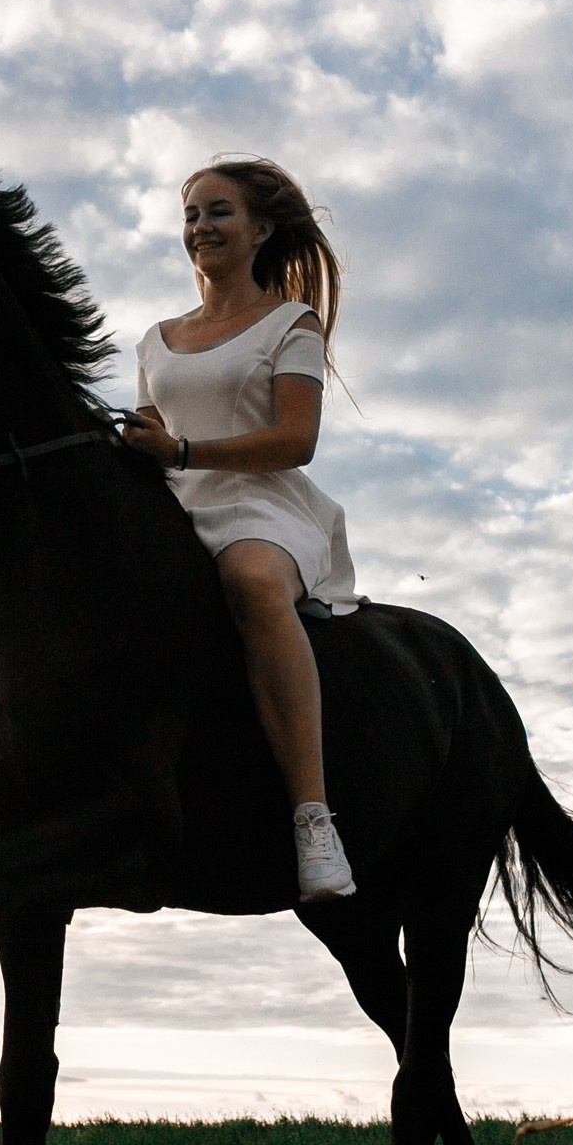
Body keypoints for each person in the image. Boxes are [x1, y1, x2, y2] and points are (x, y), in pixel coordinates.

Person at [121, 157, 364, 902]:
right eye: (192, 214)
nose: (201, 227)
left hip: (263, 508)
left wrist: (185, 451)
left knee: (251, 581)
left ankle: (313, 820)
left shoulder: (291, 323)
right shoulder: (157, 340)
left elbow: (296, 440)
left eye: (218, 212)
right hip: (178, 505)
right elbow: (154, 434)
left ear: (260, 229)